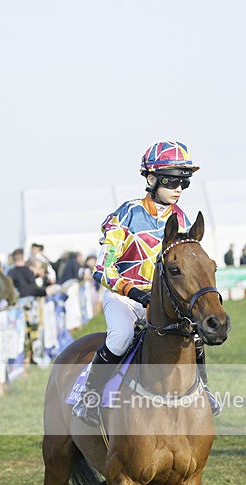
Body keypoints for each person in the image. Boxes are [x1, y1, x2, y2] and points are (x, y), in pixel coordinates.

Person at [72, 140, 220, 425]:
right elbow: (102, 270)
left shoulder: (182, 219)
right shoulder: (125, 214)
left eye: (184, 183)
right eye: (171, 181)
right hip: (125, 297)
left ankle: (204, 391)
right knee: (121, 337)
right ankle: (89, 397)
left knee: (196, 335)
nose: (178, 188)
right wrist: (135, 293)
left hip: (163, 300)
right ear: (151, 179)